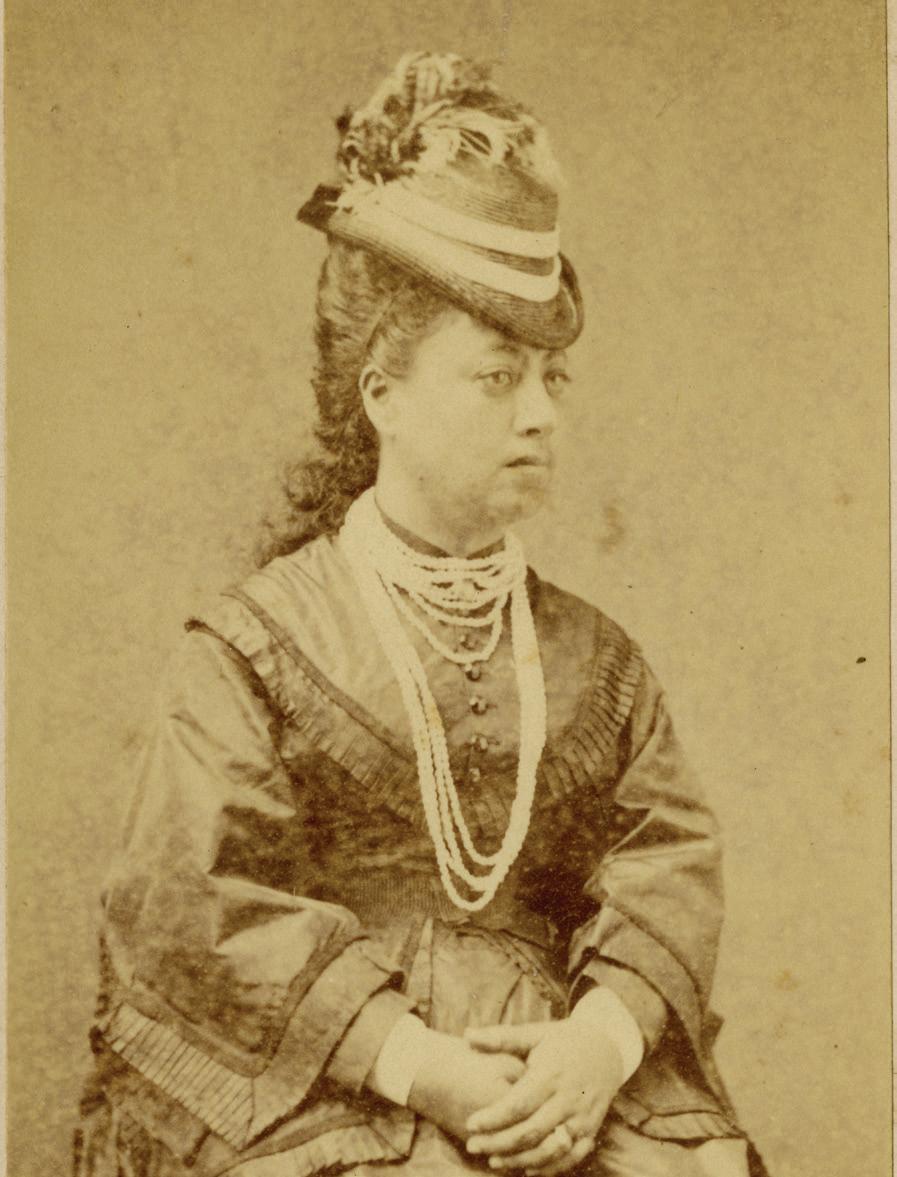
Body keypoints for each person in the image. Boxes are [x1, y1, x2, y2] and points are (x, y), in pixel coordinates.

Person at [75, 52, 768, 1177]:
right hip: (331, 1074)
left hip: (553, 1064)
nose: (539, 415)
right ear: (382, 396)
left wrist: (596, 1045)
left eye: (550, 380)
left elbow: (665, 864)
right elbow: (198, 902)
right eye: (497, 377)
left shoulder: (597, 663)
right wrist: (418, 1063)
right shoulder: (254, 647)